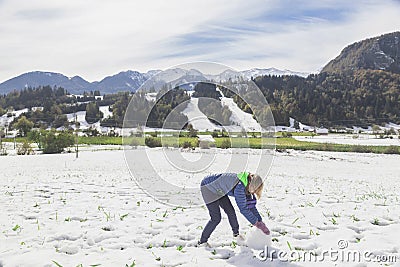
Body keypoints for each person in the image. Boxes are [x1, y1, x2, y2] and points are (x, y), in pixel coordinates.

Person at [197, 172, 270, 246]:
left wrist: (260, 220)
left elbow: (251, 206)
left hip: (219, 189)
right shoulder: (240, 187)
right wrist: (256, 223)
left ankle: (236, 235)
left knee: (230, 211)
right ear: (253, 186)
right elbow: (243, 209)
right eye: (255, 190)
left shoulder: (247, 185)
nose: (254, 193)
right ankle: (202, 241)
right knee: (216, 218)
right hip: (208, 187)